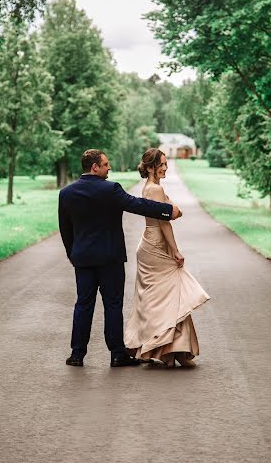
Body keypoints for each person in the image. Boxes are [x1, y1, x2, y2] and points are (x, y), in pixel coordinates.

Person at [58, 149, 182, 368]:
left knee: (83, 305)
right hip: (110, 258)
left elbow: (65, 230)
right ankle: (117, 354)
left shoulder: (67, 193)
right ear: (94, 167)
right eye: (105, 165)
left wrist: (73, 254)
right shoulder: (110, 189)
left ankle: (77, 354)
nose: (109, 168)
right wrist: (167, 210)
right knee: (113, 305)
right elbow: (137, 205)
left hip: (83, 259)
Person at [125, 148, 209, 367]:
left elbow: (174, 211)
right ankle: (170, 350)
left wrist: (174, 210)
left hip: (150, 243)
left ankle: (168, 351)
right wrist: (176, 250)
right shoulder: (155, 190)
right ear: (151, 167)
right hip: (155, 246)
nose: (165, 167)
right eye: (161, 164)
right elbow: (165, 222)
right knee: (170, 296)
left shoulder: (153, 188)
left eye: (165, 164)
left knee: (161, 298)